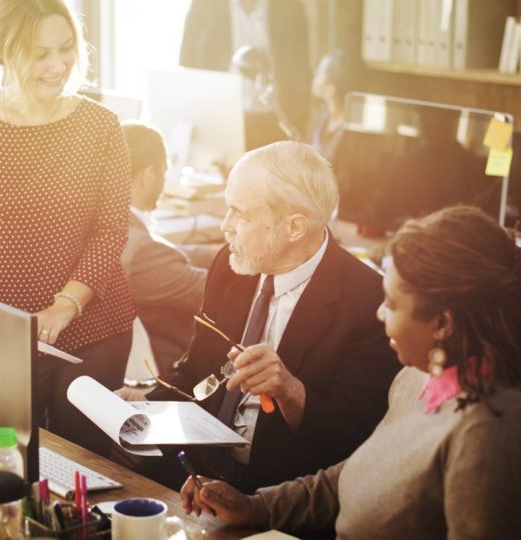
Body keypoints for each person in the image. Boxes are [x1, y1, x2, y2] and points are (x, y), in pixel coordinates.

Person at [182, 206, 521, 538]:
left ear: (442, 324)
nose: (378, 313)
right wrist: (255, 508)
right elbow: (360, 473)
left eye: (391, 304)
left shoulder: (496, 435)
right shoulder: (419, 376)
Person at [120, 141, 399, 493]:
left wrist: (290, 391)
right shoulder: (230, 266)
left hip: (280, 489)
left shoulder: (367, 301)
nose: (226, 226)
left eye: (241, 214)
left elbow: (353, 442)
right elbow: (195, 371)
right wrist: (148, 401)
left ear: (294, 227)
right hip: (196, 468)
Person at [0, 0, 135, 453]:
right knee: (0, 459)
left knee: (79, 461)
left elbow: (111, 229)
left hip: (91, 327)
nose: (58, 65)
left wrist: (65, 305)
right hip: (0, 336)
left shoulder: (101, 127)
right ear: (3, 52)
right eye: (40, 53)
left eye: (65, 49)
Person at [120, 122, 216, 374]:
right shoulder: (141, 253)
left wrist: (223, 251)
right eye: (163, 173)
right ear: (148, 175)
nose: (164, 183)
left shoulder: (113, 224)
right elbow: (214, 291)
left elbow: (168, 249)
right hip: (170, 365)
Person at [180, 0, 311, 149]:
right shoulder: (205, 5)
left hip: (276, 119)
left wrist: (300, 121)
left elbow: (302, 68)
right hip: (221, 120)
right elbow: (188, 62)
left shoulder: (289, 5)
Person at [307, 50, 361, 162]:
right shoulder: (320, 116)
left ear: (330, 89)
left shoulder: (351, 134)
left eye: (320, 71)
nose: (315, 73)